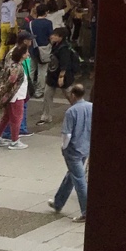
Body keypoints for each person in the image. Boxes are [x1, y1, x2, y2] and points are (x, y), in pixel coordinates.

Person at [47, 83, 91, 222]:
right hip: (85, 147)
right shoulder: (91, 107)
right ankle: (58, 202)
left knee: (79, 180)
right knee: (72, 175)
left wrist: (64, 147)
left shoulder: (71, 111)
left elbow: (67, 134)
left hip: (73, 150)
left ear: (73, 95)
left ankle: (85, 211)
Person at [0, 42, 30, 149]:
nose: (28, 54)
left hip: (11, 96)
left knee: (6, 117)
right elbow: (12, 79)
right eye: (26, 52)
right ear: (22, 55)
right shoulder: (18, 67)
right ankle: (14, 141)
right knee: (16, 118)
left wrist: (3, 88)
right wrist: (5, 87)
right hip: (16, 96)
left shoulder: (13, 65)